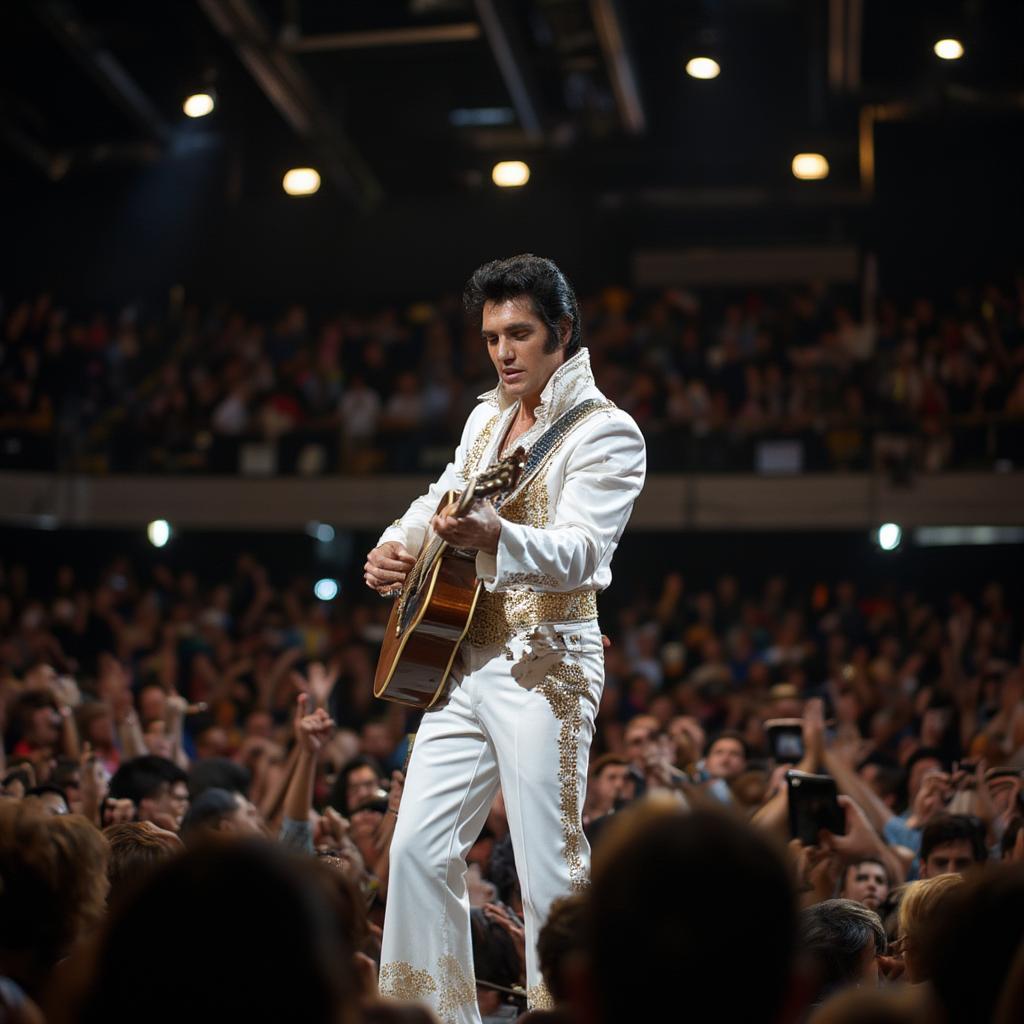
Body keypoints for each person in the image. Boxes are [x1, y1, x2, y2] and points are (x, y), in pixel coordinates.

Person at [363, 254, 646, 1022]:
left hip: (546, 660)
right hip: (463, 656)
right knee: (418, 850)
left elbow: (584, 551)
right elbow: (441, 495)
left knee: (548, 862)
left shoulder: (608, 432)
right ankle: (433, 1016)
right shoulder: (486, 418)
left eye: (519, 333)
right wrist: (399, 540)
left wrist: (497, 536)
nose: (504, 352)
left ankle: (571, 1013)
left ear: (562, 332)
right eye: (492, 337)